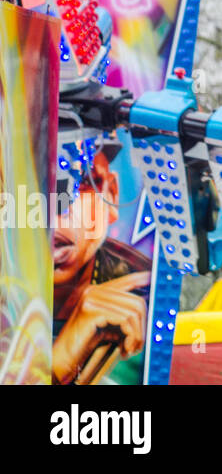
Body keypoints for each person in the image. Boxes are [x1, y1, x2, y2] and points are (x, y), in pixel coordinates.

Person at [52, 142, 151, 385]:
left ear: (112, 195)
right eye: (30, 182)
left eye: (82, 183)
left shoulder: (148, 296)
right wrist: (56, 366)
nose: (57, 206)